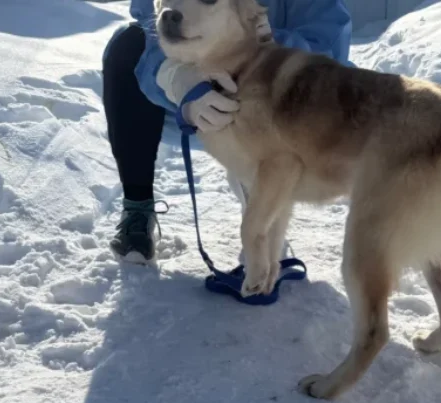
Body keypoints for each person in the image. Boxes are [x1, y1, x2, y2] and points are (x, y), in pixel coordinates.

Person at [101, 0, 352, 263]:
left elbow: (329, 44)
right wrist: (172, 74)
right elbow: (147, 18)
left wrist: (265, 45)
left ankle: (261, 196)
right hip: (185, 98)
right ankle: (137, 208)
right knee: (127, 47)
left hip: (274, 95)